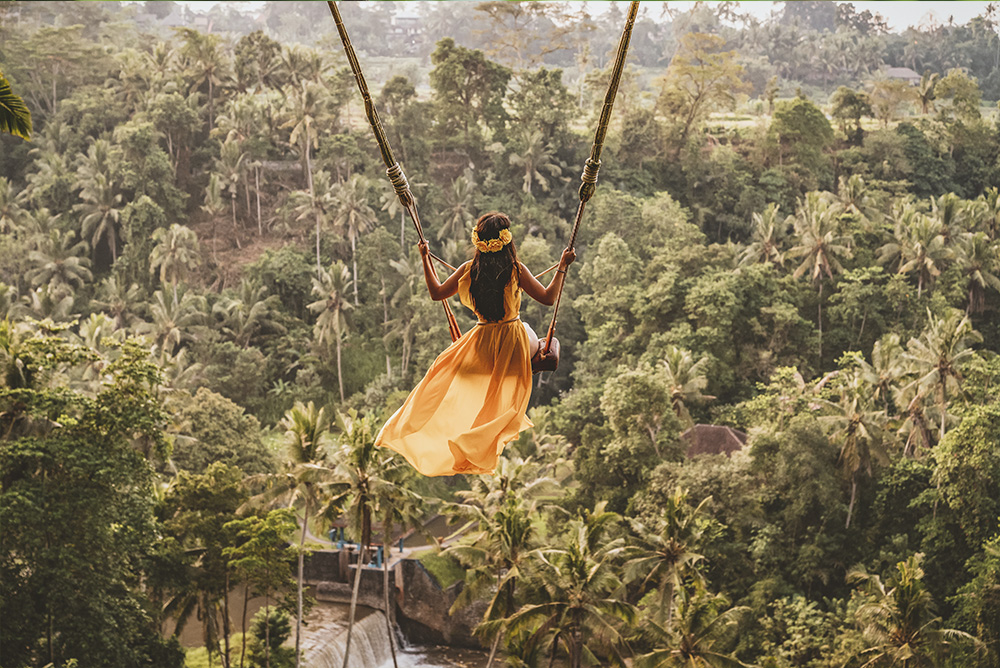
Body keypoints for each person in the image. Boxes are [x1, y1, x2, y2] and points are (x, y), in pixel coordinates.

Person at [374, 212, 576, 476]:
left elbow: (436, 293)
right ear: (507, 240)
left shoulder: (468, 270)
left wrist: (425, 259)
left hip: (480, 344)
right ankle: (523, 367)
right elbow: (549, 298)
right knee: (538, 339)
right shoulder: (516, 269)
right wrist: (562, 265)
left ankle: (417, 427)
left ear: (479, 241)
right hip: (514, 341)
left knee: (442, 369)